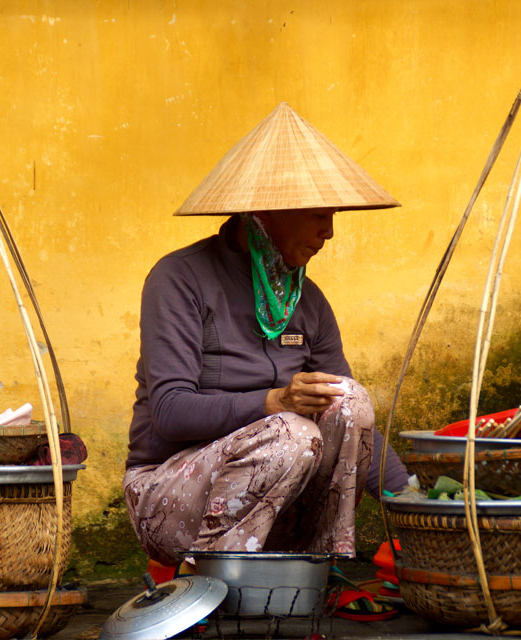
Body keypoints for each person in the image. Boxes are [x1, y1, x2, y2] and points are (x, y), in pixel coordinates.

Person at [123, 103, 409, 568]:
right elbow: (171, 412)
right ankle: (215, 583)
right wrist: (274, 402)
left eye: (332, 213)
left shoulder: (309, 301)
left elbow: (358, 427)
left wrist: (417, 501)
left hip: (281, 503)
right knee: (293, 433)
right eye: (317, 213)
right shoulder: (179, 279)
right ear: (265, 214)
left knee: (349, 399)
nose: (329, 231)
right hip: (170, 498)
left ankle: (317, 570)